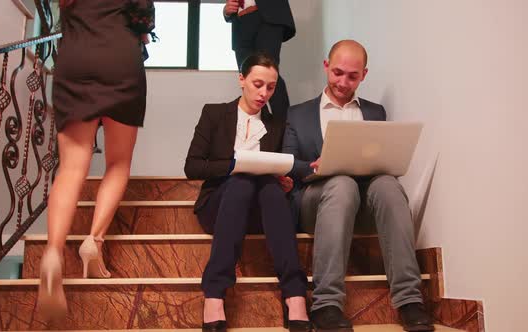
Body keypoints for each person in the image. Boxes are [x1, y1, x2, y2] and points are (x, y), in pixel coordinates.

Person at [282, 40, 435, 332]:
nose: (343, 82)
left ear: (364, 75)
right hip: (317, 201)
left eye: (352, 76)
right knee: (341, 184)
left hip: (362, 202)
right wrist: (314, 165)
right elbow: (290, 163)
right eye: (337, 72)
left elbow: (381, 160)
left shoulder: (376, 112)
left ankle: (410, 300)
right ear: (326, 67)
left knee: (389, 185)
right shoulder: (298, 114)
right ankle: (326, 303)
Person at [36, 0, 154, 321]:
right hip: (119, 58)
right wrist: (144, 33)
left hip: (75, 59)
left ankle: (53, 253)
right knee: (117, 163)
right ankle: (94, 241)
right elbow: (144, 19)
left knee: (72, 167)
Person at [184, 52, 310, 332]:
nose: (264, 93)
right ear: (241, 79)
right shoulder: (214, 114)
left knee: (269, 187)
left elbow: (280, 168)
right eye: (257, 84)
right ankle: (215, 293)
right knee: (241, 182)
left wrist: (286, 178)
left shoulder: (277, 124)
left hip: (261, 209)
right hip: (218, 206)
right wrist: (234, 165)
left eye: (271, 87)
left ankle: (295, 293)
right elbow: (192, 166)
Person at [223, 0, 295, 122]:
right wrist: (226, 11)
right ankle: (260, 128)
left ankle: (285, 131)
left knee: (268, 72)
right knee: (248, 77)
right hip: (240, 22)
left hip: (268, 16)